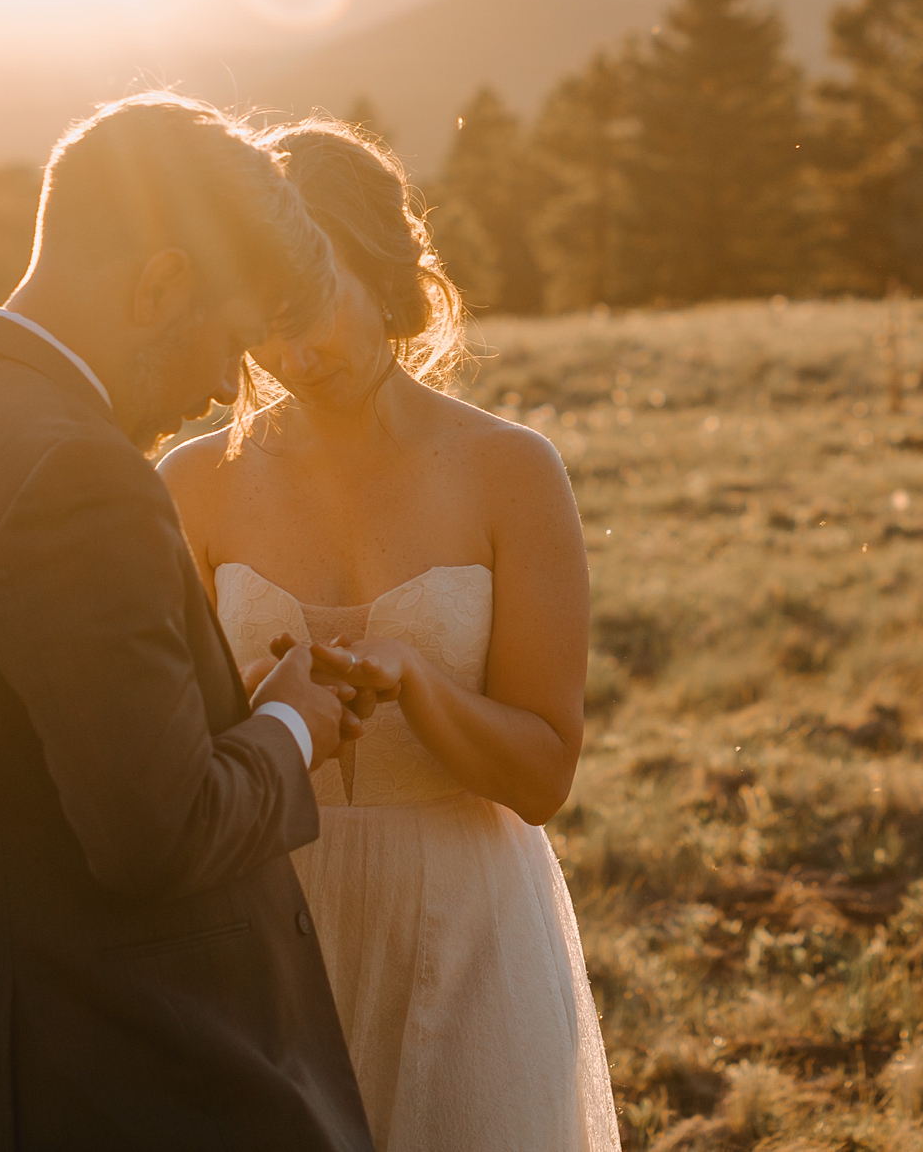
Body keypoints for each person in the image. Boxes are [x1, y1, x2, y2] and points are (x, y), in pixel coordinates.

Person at [0, 93, 376, 1151]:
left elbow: (13, 762)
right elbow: (159, 836)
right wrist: (287, 726)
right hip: (103, 1086)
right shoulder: (77, 475)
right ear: (161, 284)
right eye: (233, 338)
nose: (223, 388)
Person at [160, 118, 619, 1151]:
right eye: (259, 321)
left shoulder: (511, 472)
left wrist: (420, 681)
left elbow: (543, 776)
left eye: (310, 308)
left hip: (466, 933)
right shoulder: (191, 487)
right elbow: (159, 762)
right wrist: (245, 705)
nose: (290, 352)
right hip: (262, 938)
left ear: (384, 273)